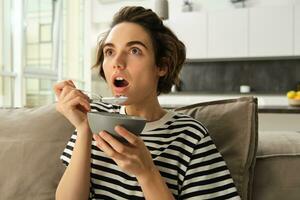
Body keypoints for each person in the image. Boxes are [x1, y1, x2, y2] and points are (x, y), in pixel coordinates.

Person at [54, 6, 240, 200]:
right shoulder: (93, 116)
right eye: (109, 51)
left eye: (134, 50)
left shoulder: (190, 137)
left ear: (161, 66)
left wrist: (147, 172)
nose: (117, 62)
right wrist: (84, 129)